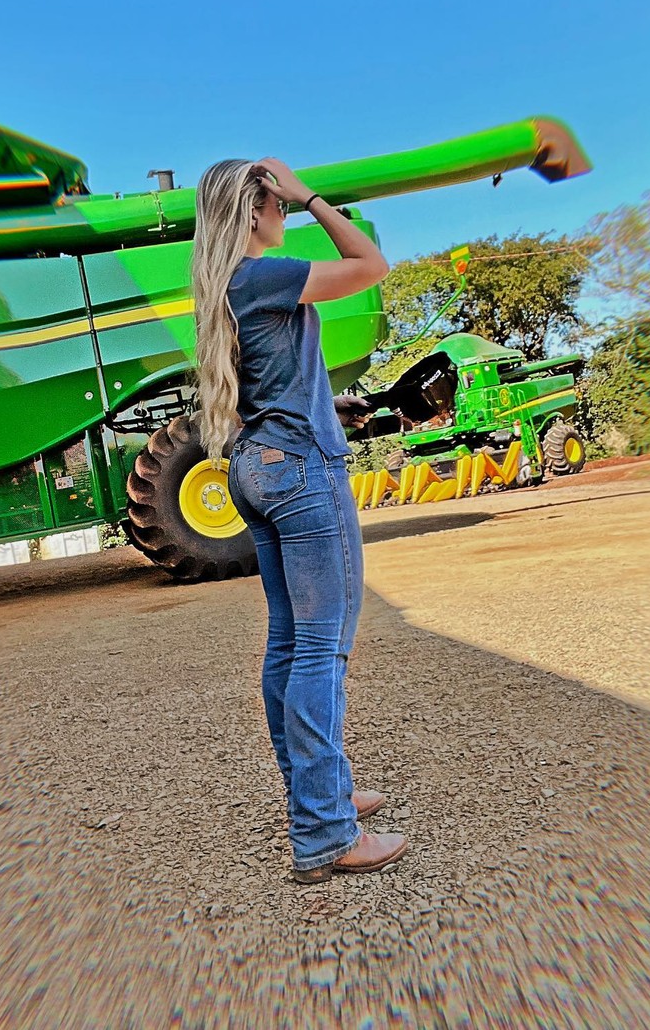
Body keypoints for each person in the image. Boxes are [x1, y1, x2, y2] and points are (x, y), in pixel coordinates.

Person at [191, 156, 409, 884]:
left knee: (289, 644)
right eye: (276, 203)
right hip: (299, 471)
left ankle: (320, 794)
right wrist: (311, 195)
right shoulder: (264, 274)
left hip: (255, 465)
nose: (283, 212)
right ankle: (325, 832)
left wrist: (328, 404)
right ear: (254, 209)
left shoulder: (226, 285)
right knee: (321, 650)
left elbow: (269, 381)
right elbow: (370, 264)